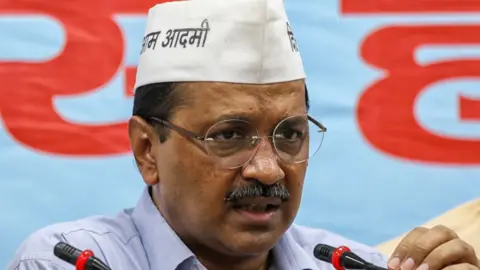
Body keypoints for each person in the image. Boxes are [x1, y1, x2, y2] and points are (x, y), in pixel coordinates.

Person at [7, 0, 479, 269]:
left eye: (291, 134)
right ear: (147, 149)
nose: (269, 168)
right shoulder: (73, 261)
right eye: (229, 135)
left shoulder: (351, 265)